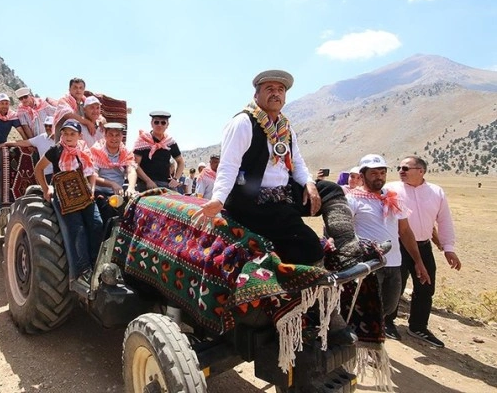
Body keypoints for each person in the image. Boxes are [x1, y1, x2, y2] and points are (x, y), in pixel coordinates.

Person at [197, 70, 367, 344]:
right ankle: (320, 312)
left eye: (281, 89)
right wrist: (218, 199)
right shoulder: (243, 123)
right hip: (250, 201)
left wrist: (310, 184)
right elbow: (228, 165)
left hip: (283, 193)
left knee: (331, 190)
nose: (276, 93)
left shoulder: (286, 127)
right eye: (269, 88)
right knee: (308, 243)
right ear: (256, 94)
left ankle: (348, 250)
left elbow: (297, 162)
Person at [347, 154, 432, 342]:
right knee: (367, 307)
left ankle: (367, 339)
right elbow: (342, 230)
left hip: (394, 263)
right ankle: (362, 344)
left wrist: (418, 262)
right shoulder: (352, 199)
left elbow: (406, 232)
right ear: (363, 175)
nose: (379, 176)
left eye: (383, 172)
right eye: (374, 172)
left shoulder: (393, 198)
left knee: (389, 307)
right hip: (368, 264)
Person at [383, 156, 460, 347]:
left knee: (425, 287)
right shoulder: (390, 189)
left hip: (423, 246)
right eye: (399, 167)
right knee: (395, 286)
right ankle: (386, 322)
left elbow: (444, 221)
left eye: (406, 168)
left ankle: (418, 326)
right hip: (397, 245)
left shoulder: (436, 192)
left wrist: (448, 247)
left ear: (421, 171)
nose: (401, 171)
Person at [34, 120, 103, 283]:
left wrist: (91, 189)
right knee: (77, 229)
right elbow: (39, 169)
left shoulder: (84, 150)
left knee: (97, 224)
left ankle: (96, 263)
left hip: (84, 193)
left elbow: (91, 172)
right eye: (65, 133)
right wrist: (46, 189)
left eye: (72, 134)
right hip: (64, 196)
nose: (68, 136)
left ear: (79, 136)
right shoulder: (55, 150)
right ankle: (84, 269)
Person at [90, 122, 138, 223]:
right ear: (105, 135)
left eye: (117, 135)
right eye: (111, 135)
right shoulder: (96, 151)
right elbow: (93, 176)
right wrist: (112, 184)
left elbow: (131, 170)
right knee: (107, 211)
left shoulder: (126, 153)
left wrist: (131, 187)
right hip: (100, 192)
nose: (114, 138)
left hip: (119, 193)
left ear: (122, 137)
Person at [133, 111, 185, 192]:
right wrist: (148, 181)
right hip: (145, 185)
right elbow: (135, 164)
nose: (159, 125)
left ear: (167, 125)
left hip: (166, 184)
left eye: (163, 122)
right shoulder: (142, 141)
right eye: (156, 122)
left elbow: (180, 162)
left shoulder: (170, 142)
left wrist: (176, 179)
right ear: (151, 123)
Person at [0, 116, 56, 183]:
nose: (47, 128)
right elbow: (24, 142)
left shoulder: (62, 139)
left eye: (50, 126)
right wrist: (6, 144)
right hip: (46, 175)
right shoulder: (41, 138)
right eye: (46, 126)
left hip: (59, 173)